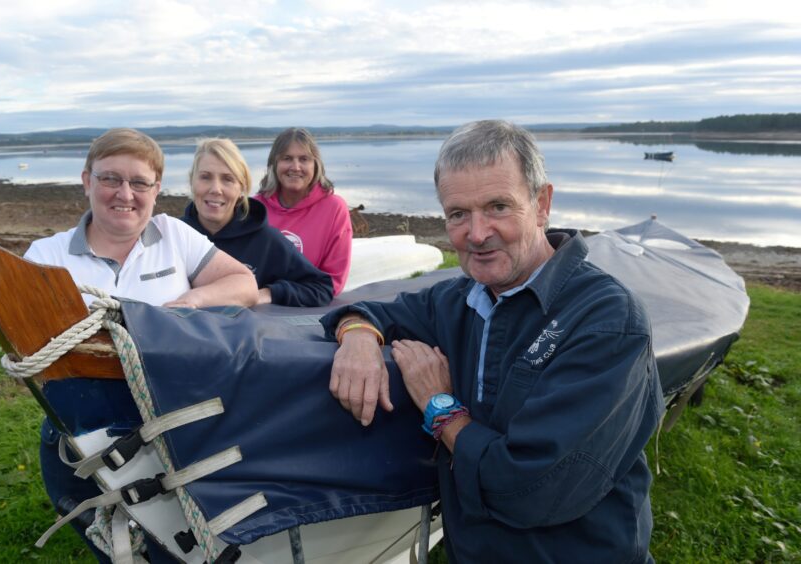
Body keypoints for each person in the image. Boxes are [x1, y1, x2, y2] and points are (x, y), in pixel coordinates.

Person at [320, 120, 665, 562]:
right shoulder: (460, 299)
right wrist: (357, 338)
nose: (476, 234)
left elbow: (528, 489)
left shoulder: (607, 320)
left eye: (498, 206)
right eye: (457, 214)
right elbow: (374, 311)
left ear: (542, 205)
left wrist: (440, 407)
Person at [23, 128, 258, 562]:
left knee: (179, 538)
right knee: (105, 535)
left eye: (140, 183)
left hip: (173, 416)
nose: (124, 194)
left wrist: (189, 302)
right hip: (80, 431)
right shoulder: (45, 258)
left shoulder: (173, 235)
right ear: (86, 181)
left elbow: (243, 283)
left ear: (156, 189)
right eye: (110, 179)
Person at [181, 138, 334, 306]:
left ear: (242, 188)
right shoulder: (174, 237)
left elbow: (321, 287)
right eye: (205, 177)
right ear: (192, 182)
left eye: (227, 179)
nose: (216, 189)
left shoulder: (266, 240)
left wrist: (266, 293)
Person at [254, 127, 352, 295]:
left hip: (310, 307)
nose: (296, 167)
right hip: (257, 308)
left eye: (304, 159)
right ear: (274, 164)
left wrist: (273, 294)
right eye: (287, 158)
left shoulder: (334, 209)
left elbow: (332, 282)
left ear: (316, 165)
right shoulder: (255, 208)